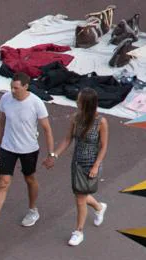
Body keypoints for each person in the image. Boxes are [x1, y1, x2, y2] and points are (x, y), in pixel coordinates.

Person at [0, 72, 56, 237]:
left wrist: (51, 154)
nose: (13, 91)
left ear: (25, 86)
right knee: (3, 183)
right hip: (8, 147)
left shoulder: (36, 103)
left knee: (30, 179)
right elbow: (2, 122)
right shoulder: (6, 99)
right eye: (11, 87)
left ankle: (33, 210)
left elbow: (47, 129)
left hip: (29, 149)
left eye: (16, 88)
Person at [50, 87, 109, 247]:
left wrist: (96, 166)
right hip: (77, 163)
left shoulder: (100, 122)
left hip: (91, 164)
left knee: (80, 198)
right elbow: (68, 139)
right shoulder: (76, 118)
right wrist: (54, 155)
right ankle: (98, 207)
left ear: (87, 104)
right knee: (80, 194)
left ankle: (79, 231)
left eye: (79, 100)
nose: (76, 101)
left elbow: (103, 146)